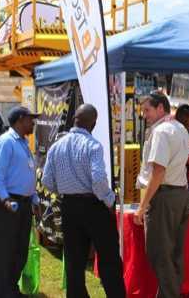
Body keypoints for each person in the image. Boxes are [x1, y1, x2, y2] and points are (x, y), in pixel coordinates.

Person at [43, 104, 126, 298]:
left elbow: (47, 180)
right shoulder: (93, 146)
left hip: (69, 206)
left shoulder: (56, 146)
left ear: (74, 120)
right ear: (94, 124)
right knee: (109, 259)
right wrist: (109, 199)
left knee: (74, 260)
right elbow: (98, 180)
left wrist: (65, 190)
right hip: (93, 205)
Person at [134, 91, 189, 298]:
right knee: (173, 255)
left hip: (165, 197)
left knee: (159, 254)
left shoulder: (162, 131)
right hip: (179, 195)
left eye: (147, 110)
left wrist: (142, 207)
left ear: (160, 108)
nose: (144, 115)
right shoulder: (180, 128)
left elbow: (158, 172)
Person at [0, 106, 41, 298]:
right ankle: (2, 293)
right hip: (6, 205)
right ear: (19, 120)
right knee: (3, 252)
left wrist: (33, 198)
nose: (33, 123)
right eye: (30, 119)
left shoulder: (23, 143)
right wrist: (6, 199)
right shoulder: (6, 142)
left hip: (23, 204)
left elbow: (26, 174)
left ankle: (11, 290)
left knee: (20, 251)